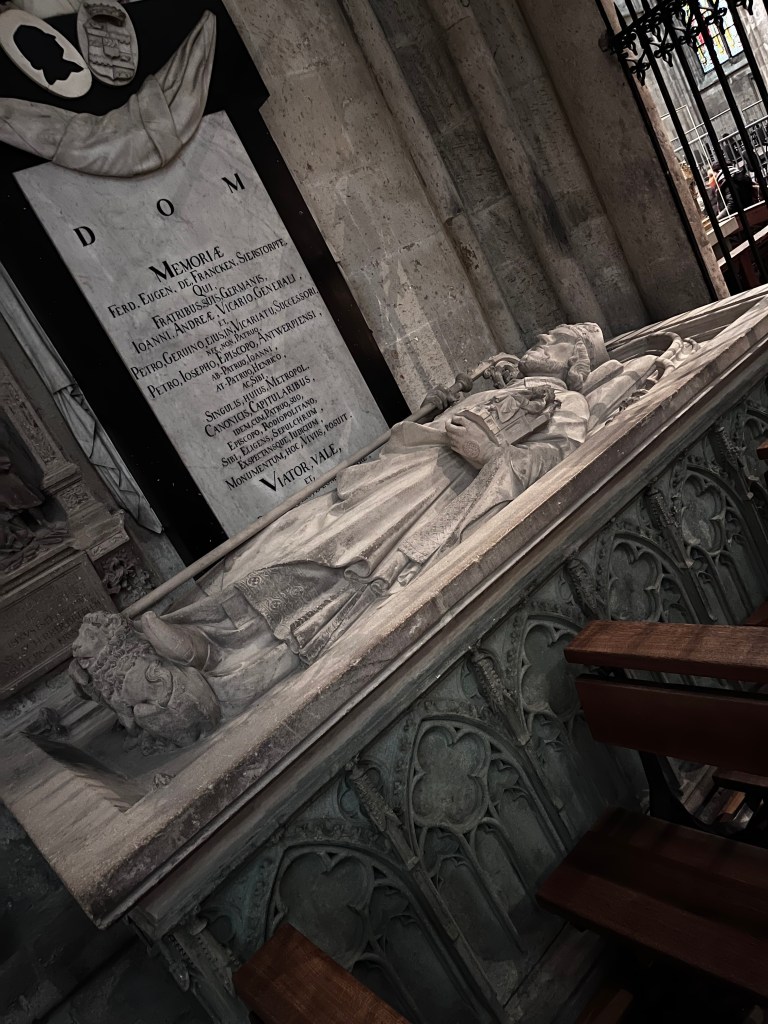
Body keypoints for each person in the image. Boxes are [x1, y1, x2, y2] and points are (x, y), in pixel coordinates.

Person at [71, 323, 689, 747]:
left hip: (434, 496)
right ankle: (201, 631)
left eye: (557, 340)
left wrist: (493, 454)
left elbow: (554, 460)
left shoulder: (564, 403)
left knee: (328, 565)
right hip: (399, 474)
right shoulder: (505, 383)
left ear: (577, 363)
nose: (541, 341)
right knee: (290, 535)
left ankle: (218, 668)